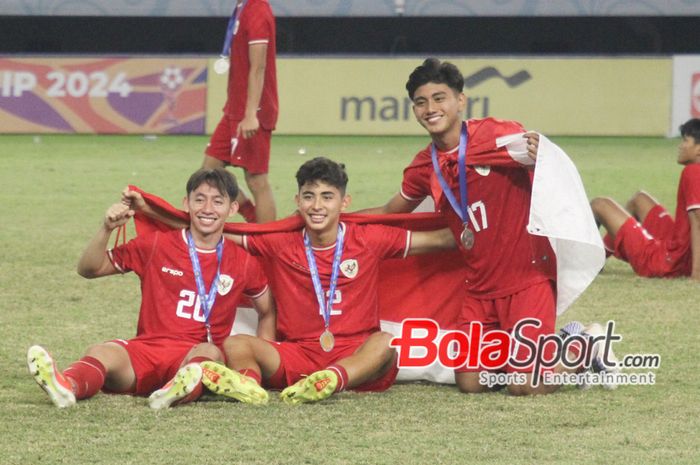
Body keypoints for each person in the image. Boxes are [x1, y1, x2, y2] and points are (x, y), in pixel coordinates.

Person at [357, 58, 616, 395]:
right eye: (420, 102)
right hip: (478, 288)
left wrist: (544, 157)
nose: (430, 108)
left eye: (439, 98)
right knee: (470, 382)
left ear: (460, 100)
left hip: (527, 278)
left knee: (525, 386)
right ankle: (551, 345)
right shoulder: (424, 165)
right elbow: (392, 212)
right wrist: (338, 221)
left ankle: (585, 345)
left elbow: (549, 169)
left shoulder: (497, 135)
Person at [182, 157, 457, 405]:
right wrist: (156, 210)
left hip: (354, 354)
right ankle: (248, 386)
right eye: (309, 196)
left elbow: (442, 239)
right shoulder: (280, 243)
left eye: (327, 197)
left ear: (344, 203)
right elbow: (213, 230)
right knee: (236, 344)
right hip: (299, 353)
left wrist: (487, 215)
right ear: (297, 200)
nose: (316, 206)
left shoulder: (369, 238)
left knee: (385, 343)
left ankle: (332, 379)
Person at [27, 168, 275, 409]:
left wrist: (263, 356)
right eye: (199, 200)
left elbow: (267, 311)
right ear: (186, 204)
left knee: (207, 355)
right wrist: (106, 229)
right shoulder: (156, 245)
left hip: (196, 352)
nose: (207, 209)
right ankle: (67, 386)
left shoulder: (243, 262)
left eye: (217, 202)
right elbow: (89, 269)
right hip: (147, 349)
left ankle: (174, 391)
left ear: (232, 209)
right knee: (102, 351)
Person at [590, 118, 700, 281]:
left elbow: (698, 220)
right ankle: (599, 257)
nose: (680, 145)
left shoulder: (693, 171)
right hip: (678, 248)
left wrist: (696, 273)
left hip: (669, 263)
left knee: (599, 205)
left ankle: (580, 263)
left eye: (685, 140)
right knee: (639, 199)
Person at [203, 0, 278, 224]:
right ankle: (254, 220)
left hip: (253, 111)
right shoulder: (242, 7)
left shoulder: (257, 9)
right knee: (209, 171)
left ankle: (268, 243)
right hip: (234, 110)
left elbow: (259, 67)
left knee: (256, 180)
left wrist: (251, 114)